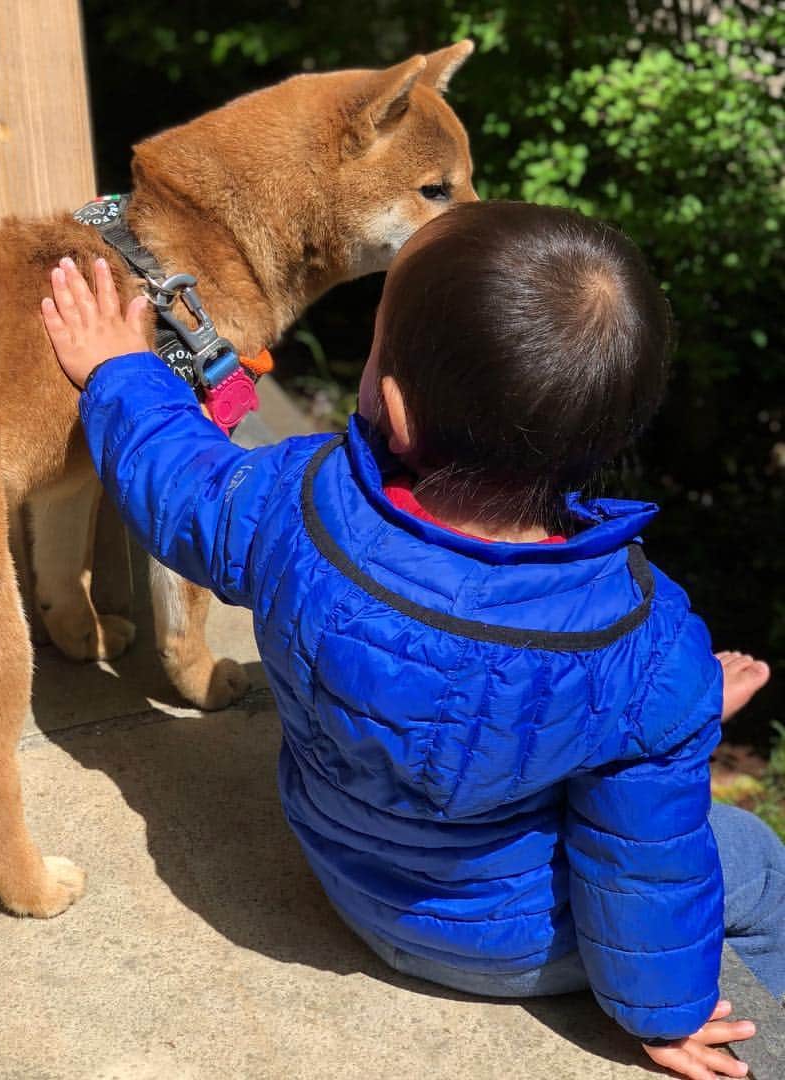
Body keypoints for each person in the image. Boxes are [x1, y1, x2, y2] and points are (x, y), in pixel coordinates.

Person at [40, 201, 779, 1080]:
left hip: (343, 873)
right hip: (512, 945)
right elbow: (644, 857)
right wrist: (669, 1015)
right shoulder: (640, 643)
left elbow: (183, 487)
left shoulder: (299, 508)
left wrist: (121, 372)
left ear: (392, 402)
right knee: (756, 862)